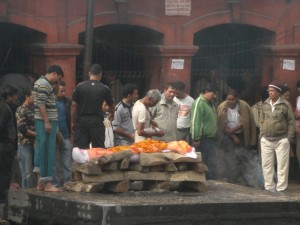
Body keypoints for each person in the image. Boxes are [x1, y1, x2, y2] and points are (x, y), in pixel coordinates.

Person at [33, 65, 64, 192]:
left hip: (44, 120)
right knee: (47, 151)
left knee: (42, 149)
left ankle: (41, 183)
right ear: (54, 73)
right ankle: (47, 183)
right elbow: (41, 104)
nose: (57, 82)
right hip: (46, 121)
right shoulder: (44, 84)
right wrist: (46, 121)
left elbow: (51, 97)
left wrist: (55, 85)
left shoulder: (42, 83)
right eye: (58, 78)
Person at [260, 81, 295, 192]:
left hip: (281, 139)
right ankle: (269, 188)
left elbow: (291, 121)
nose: (269, 93)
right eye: (269, 91)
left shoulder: (285, 104)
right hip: (266, 139)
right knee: (266, 165)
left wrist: (288, 138)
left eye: (272, 91)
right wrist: (261, 135)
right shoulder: (265, 104)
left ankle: (281, 189)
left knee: (282, 166)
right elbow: (262, 120)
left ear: (278, 92)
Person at [217, 89, 256, 185]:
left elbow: (245, 122)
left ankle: (244, 177)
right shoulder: (222, 107)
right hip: (227, 136)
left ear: (237, 99)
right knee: (229, 157)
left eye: (232, 99)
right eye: (228, 99)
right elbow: (222, 124)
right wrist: (233, 136)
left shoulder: (244, 106)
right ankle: (231, 178)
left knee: (242, 156)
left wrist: (234, 131)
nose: (230, 101)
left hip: (241, 134)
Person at [71, 64, 115, 149]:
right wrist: (112, 114)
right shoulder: (104, 88)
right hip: (97, 122)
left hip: (82, 122)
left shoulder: (80, 86)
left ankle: (82, 163)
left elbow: (73, 105)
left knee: (81, 150)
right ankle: (97, 162)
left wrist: (73, 122)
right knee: (98, 149)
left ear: (89, 73)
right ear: (100, 75)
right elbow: (112, 104)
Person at [190, 83, 218, 180]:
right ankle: (201, 180)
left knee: (210, 160)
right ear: (206, 92)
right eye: (213, 93)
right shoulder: (199, 103)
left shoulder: (209, 103)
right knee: (202, 161)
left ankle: (209, 180)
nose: (214, 96)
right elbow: (195, 121)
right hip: (202, 138)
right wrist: (196, 138)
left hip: (210, 138)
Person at [0, 85, 18, 202]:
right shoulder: (6, 109)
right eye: (14, 96)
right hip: (5, 146)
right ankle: (3, 199)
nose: (16, 98)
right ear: (9, 97)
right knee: (5, 173)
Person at [16, 88, 36, 188]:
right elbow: (22, 129)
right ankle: (27, 194)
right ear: (27, 97)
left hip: (34, 144)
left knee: (34, 170)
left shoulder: (34, 109)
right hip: (24, 144)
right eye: (33, 97)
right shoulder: (21, 110)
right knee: (26, 172)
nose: (35, 99)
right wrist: (37, 135)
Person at [54, 81, 72, 186]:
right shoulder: (51, 103)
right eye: (61, 91)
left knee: (67, 162)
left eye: (65, 91)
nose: (63, 93)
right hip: (55, 135)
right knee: (55, 162)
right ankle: (56, 183)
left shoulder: (67, 102)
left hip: (65, 135)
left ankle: (67, 183)